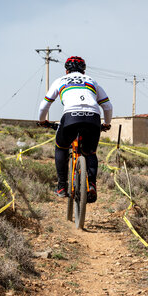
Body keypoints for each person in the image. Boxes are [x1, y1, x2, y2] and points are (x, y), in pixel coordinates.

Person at [38, 56, 113, 203]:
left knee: (61, 147)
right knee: (90, 152)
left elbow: (44, 105)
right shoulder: (92, 81)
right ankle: (91, 185)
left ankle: (61, 187)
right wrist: (107, 124)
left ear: (67, 70)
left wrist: (42, 121)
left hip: (71, 116)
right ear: (83, 71)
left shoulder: (61, 81)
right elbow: (108, 106)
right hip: (93, 117)